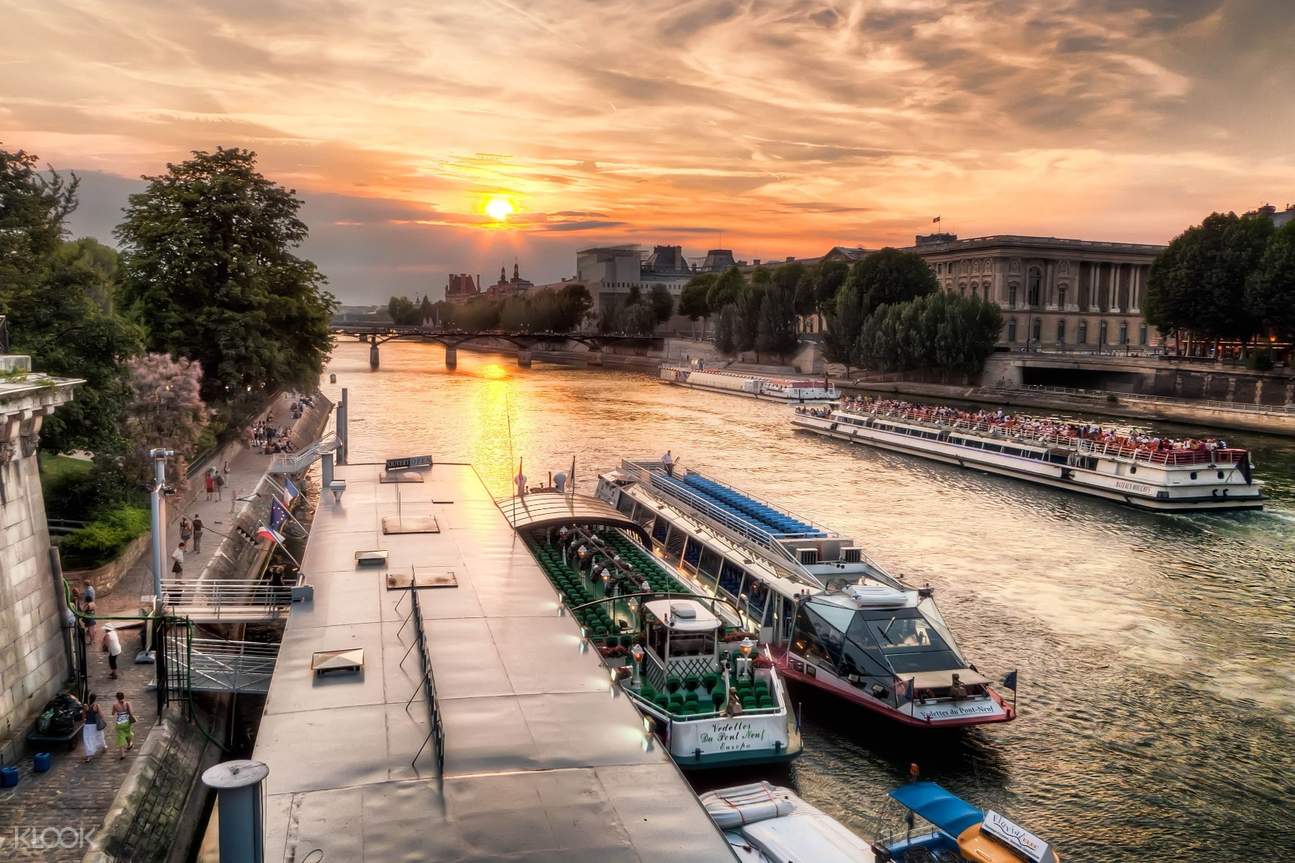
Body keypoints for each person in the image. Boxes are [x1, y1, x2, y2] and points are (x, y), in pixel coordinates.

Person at [82, 693, 106, 763]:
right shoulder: (96, 706)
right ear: (95, 699)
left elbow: (83, 717)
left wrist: (85, 719)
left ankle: (89, 755)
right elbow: (101, 715)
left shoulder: (85, 706)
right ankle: (104, 747)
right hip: (95, 725)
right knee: (100, 736)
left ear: (89, 698)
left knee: (88, 740)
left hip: (87, 726)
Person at [112, 692, 136, 759]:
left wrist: (117, 710)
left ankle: (122, 754)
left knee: (121, 737)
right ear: (123, 696)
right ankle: (129, 744)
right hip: (127, 722)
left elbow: (113, 713)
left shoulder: (115, 705)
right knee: (127, 733)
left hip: (119, 723)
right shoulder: (127, 703)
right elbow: (131, 713)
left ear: (117, 698)